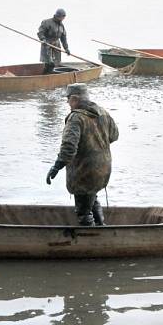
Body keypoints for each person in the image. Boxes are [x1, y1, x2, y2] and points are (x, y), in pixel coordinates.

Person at [46, 83, 119, 226]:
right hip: (103, 169)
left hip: (85, 171)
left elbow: (68, 148)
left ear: (74, 99)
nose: (67, 103)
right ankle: (102, 229)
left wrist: (56, 167)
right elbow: (114, 135)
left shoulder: (76, 118)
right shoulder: (103, 113)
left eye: (68, 99)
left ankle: (92, 241)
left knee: (83, 212)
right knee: (91, 198)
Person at [37, 8, 70, 74]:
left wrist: (66, 48)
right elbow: (40, 32)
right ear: (57, 16)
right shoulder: (46, 22)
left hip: (56, 44)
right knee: (49, 62)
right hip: (47, 44)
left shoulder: (61, 26)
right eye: (61, 17)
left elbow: (63, 38)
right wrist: (43, 39)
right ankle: (45, 75)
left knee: (56, 62)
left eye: (63, 17)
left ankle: (52, 75)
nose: (62, 19)